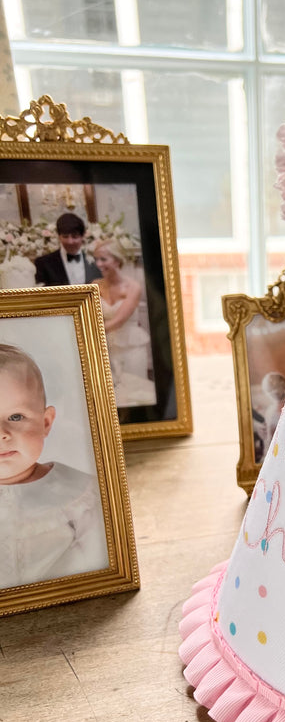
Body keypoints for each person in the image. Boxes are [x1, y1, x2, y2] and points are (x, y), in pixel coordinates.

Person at [0, 344, 109, 589]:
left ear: (46, 422)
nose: (2, 434)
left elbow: (99, 559)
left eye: (16, 417)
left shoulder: (80, 493)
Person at [93, 238, 154, 407]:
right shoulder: (95, 286)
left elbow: (119, 320)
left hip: (132, 347)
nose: (98, 264)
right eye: (97, 259)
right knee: (113, 397)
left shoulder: (133, 287)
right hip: (109, 348)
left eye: (103, 259)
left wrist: (89, 332)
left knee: (135, 393)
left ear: (117, 260)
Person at [33, 213, 99, 286]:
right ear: (58, 236)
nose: (70, 242)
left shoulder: (97, 262)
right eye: (65, 237)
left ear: (83, 236)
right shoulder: (43, 263)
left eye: (74, 237)